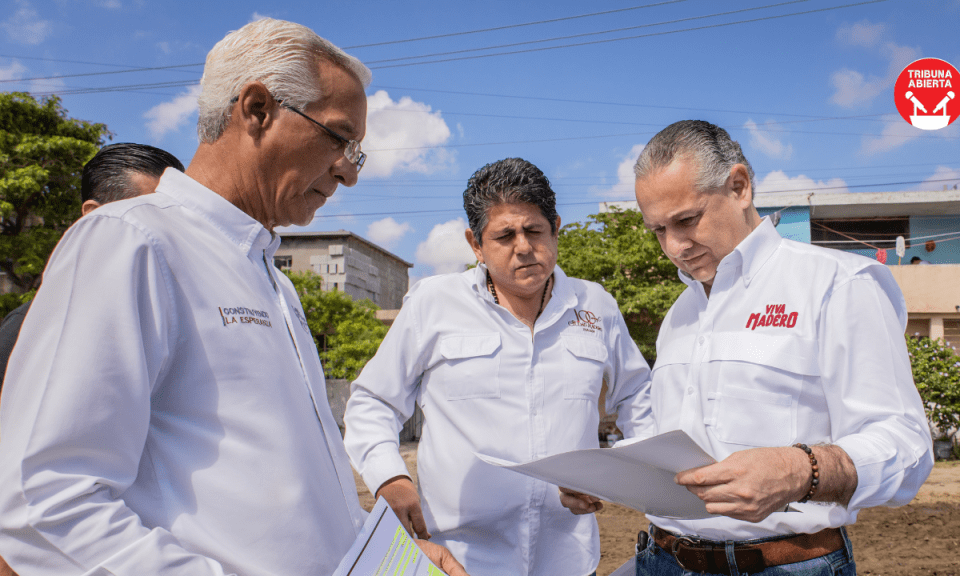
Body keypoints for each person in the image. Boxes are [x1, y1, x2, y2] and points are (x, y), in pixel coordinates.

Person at [0, 19, 466, 576]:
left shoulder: (274, 281)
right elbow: (44, 505)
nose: (348, 172)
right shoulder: (133, 240)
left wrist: (392, 559)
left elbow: (287, 495)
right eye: (340, 139)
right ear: (257, 109)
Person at [562, 120, 933, 576]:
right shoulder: (681, 314)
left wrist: (799, 469)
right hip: (662, 560)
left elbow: (907, 446)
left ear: (739, 186)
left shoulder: (838, 285)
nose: (674, 247)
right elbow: (672, 446)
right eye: (658, 230)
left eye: (687, 220)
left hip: (786, 565)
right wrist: (604, 477)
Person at [344, 157, 654, 576]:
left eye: (534, 230)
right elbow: (372, 402)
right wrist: (389, 479)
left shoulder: (594, 305)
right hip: (460, 560)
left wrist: (616, 475)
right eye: (504, 235)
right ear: (476, 243)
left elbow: (638, 396)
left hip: (568, 558)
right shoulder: (434, 303)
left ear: (556, 227)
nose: (523, 246)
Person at [0, 143, 184, 396]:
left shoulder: (177, 319)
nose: (171, 233)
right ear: (93, 217)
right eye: (149, 215)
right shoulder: (27, 328)